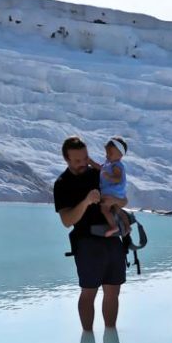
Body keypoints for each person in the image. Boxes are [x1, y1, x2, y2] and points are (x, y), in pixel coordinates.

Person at [54, 136, 127, 331]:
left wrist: (116, 202)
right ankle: (87, 337)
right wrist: (86, 201)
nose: (83, 163)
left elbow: (124, 200)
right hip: (87, 243)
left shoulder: (99, 173)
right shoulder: (62, 183)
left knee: (113, 291)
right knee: (89, 292)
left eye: (85, 158)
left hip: (112, 239)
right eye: (77, 160)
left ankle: (111, 335)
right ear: (67, 160)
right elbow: (67, 221)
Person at [94, 137, 130, 237]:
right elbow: (100, 168)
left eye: (110, 153)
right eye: (107, 152)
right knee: (117, 210)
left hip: (112, 192)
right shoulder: (109, 163)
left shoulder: (116, 165)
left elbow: (118, 178)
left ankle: (114, 227)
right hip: (116, 194)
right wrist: (91, 162)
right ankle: (127, 226)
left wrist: (109, 177)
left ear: (120, 155)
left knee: (104, 208)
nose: (107, 155)